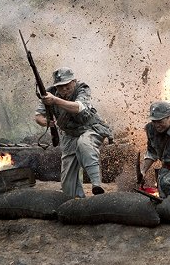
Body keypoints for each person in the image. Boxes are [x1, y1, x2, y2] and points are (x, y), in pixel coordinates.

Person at [34, 67, 113, 198]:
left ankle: (96, 184)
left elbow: (79, 107)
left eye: (67, 85)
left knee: (84, 143)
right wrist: (47, 122)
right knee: (67, 188)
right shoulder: (50, 93)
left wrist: (55, 100)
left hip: (90, 129)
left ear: (74, 82)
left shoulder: (82, 88)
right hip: (69, 135)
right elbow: (38, 116)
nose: (64, 89)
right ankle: (78, 202)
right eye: (60, 86)